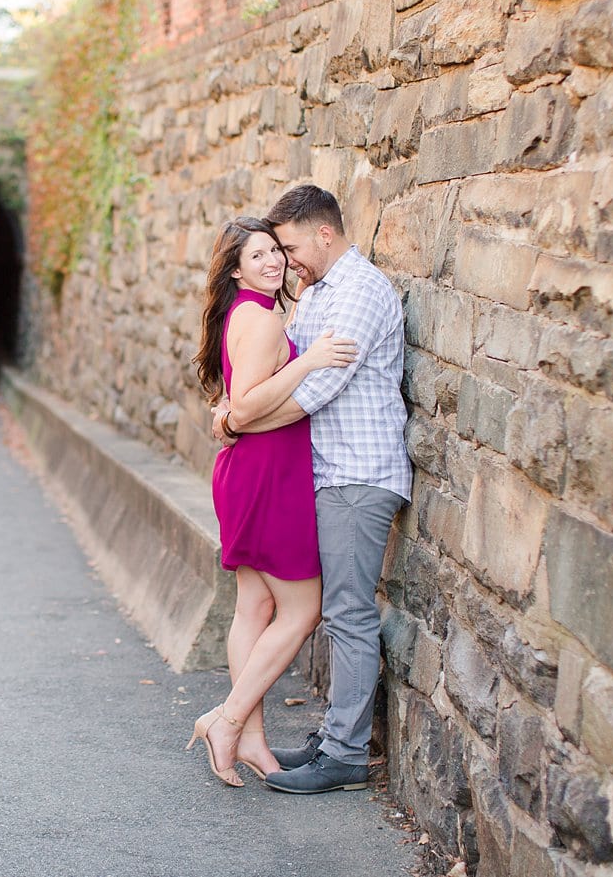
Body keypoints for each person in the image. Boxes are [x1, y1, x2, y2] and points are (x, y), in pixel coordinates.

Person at [213, 184, 412, 795]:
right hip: (319, 475)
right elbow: (277, 379)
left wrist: (235, 419)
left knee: (346, 614)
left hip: (358, 473)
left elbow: (309, 397)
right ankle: (323, 741)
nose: (285, 260)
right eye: (270, 253)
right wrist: (236, 415)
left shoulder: (358, 293)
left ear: (323, 232)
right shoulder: (315, 294)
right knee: (316, 611)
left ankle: (345, 754)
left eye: (289, 247)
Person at [186, 216, 358, 786]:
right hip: (266, 475)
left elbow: (235, 409)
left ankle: (251, 739)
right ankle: (230, 720)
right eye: (258, 255)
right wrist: (308, 361)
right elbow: (248, 405)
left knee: (254, 609)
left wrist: (231, 415)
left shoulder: (250, 312)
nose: (273, 262)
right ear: (236, 269)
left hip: (255, 472)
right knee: (302, 610)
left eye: (276, 252)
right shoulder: (259, 317)